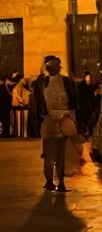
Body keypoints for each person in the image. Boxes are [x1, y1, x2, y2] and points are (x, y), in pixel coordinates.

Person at [33, 55, 76, 192]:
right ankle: (50, 181)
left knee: (61, 152)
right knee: (50, 153)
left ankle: (59, 181)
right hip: (49, 118)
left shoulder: (66, 81)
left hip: (63, 117)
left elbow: (74, 99)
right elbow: (38, 101)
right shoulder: (42, 81)